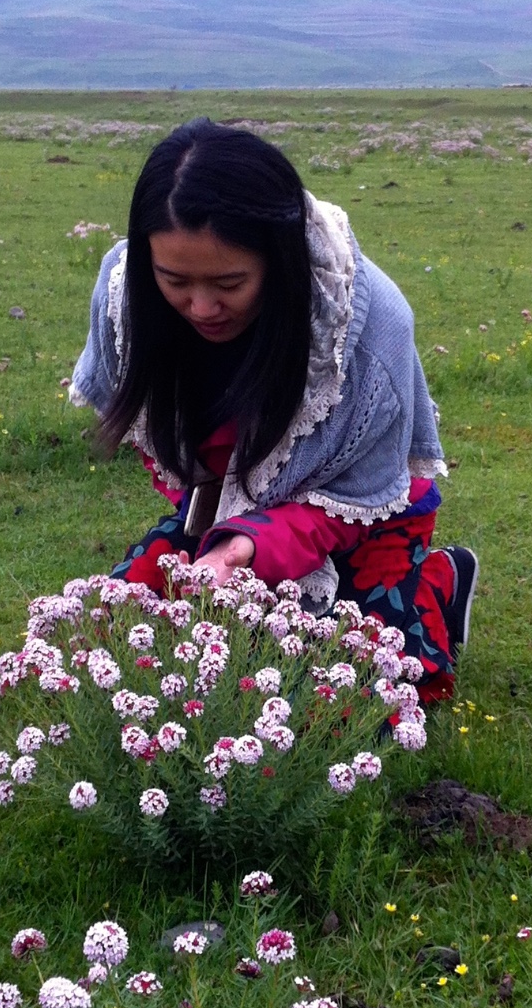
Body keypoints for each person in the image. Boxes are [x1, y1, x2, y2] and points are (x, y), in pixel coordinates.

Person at [69, 118, 477, 702]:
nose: (201, 307)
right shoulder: (126, 301)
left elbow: (357, 497)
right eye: (175, 280)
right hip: (236, 511)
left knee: (357, 700)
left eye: (229, 284)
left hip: (359, 514)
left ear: (279, 262)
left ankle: (437, 582)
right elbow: (169, 449)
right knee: (117, 646)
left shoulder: (365, 336)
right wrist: (227, 539)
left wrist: (250, 549)